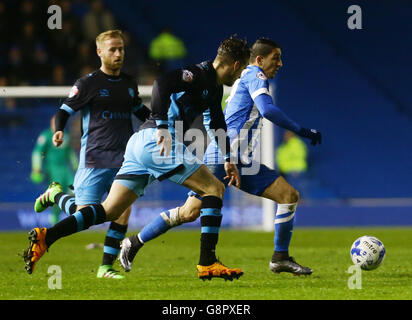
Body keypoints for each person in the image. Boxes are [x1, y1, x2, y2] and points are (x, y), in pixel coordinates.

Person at [23, 36, 250, 281]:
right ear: (235, 65)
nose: (239, 76)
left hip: (139, 143)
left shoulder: (214, 87)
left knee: (109, 211)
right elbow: (161, 84)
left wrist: (228, 157)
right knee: (213, 189)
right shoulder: (197, 74)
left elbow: (216, 122)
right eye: (242, 69)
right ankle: (207, 262)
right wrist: (163, 127)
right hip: (156, 140)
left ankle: (48, 236)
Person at [119, 38, 322, 276]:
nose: (280, 63)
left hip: (228, 153)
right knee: (287, 195)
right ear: (258, 60)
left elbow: (216, 120)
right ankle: (269, 258)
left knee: (190, 211)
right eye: (275, 57)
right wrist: (302, 131)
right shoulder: (254, 75)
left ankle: (135, 242)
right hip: (231, 154)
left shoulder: (233, 80)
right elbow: (267, 110)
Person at [31, 29, 151, 279]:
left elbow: (140, 111)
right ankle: (56, 195)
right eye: (113, 49)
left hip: (124, 159)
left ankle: (106, 267)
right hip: (94, 158)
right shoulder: (87, 84)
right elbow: (64, 110)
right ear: (100, 52)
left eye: (121, 49)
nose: (118, 54)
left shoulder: (129, 83)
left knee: (122, 210)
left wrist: (159, 123)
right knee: (85, 215)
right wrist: (59, 130)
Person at [30, 116, 78, 225]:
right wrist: (36, 168)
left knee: (75, 189)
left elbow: (70, 153)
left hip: (65, 169)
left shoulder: (65, 135)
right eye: (54, 122)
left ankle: (74, 217)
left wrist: (77, 166)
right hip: (53, 169)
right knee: (57, 194)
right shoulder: (46, 135)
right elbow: (37, 152)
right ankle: (55, 219)